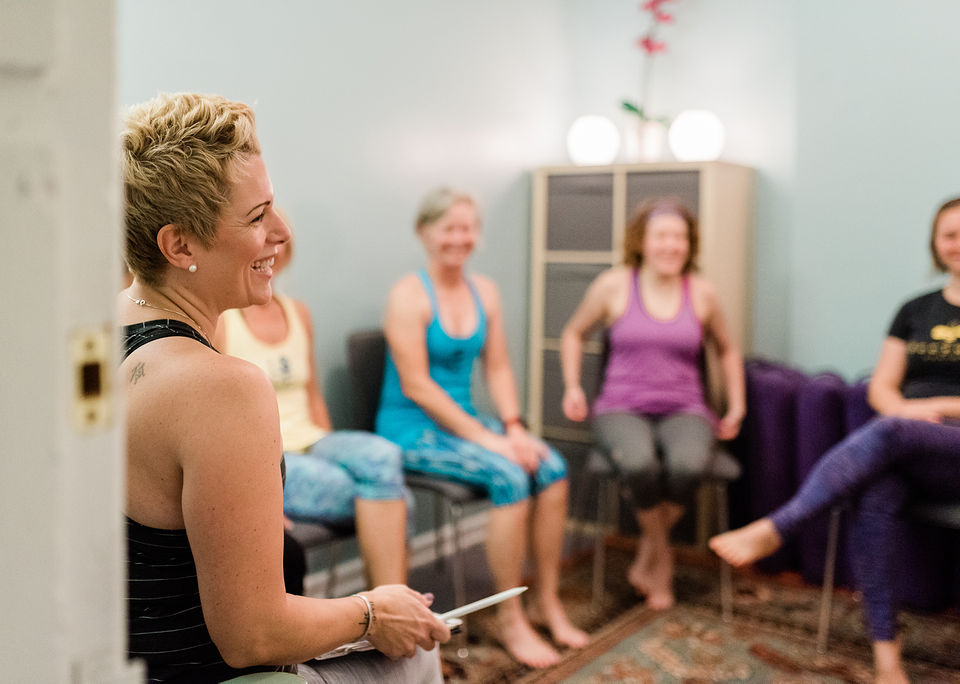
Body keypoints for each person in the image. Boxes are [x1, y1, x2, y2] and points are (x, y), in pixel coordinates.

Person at [119, 92, 448, 683]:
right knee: (418, 654)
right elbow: (253, 635)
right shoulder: (220, 388)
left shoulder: (102, 329)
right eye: (257, 216)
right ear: (180, 245)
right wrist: (373, 612)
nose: (282, 231)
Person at [709, 197, 960, 684]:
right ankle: (887, 656)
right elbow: (883, 387)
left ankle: (779, 526)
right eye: (949, 234)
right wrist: (909, 415)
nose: (959, 244)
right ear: (935, 243)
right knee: (877, 491)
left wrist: (936, 410)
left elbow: (898, 411)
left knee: (888, 433)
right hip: (914, 442)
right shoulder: (914, 310)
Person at [376, 187, 589, 669]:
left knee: (551, 466)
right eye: (449, 227)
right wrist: (492, 443)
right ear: (425, 232)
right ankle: (508, 617)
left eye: (468, 227)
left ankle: (545, 601)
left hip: (467, 425)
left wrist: (513, 427)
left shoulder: (485, 291)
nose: (460, 237)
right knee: (510, 475)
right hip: (412, 429)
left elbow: (497, 369)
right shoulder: (408, 295)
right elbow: (418, 387)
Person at [559, 197, 746, 611]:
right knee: (640, 464)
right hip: (620, 407)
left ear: (690, 245)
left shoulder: (702, 293)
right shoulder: (613, 286)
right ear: (642, 242)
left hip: (686, 408)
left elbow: (728, 350)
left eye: (680, 237)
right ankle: (662, 562)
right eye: (661, 236)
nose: (671, 246)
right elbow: (574, 333)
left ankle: (648, 550)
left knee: (689, 465)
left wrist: (736, 405)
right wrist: (572, 386)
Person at [216, 233, 410, 587]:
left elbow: (313, 393)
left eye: (277, 244)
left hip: (314, 440)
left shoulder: (298, 312)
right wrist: (259, 502)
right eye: (258, 242)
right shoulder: (223, 320)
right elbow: (219, 424)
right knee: (399, 499)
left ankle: (388, 612)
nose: (269, 252)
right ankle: (389, 615)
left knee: (384, 455)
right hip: (272, 460)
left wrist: (332, 449)